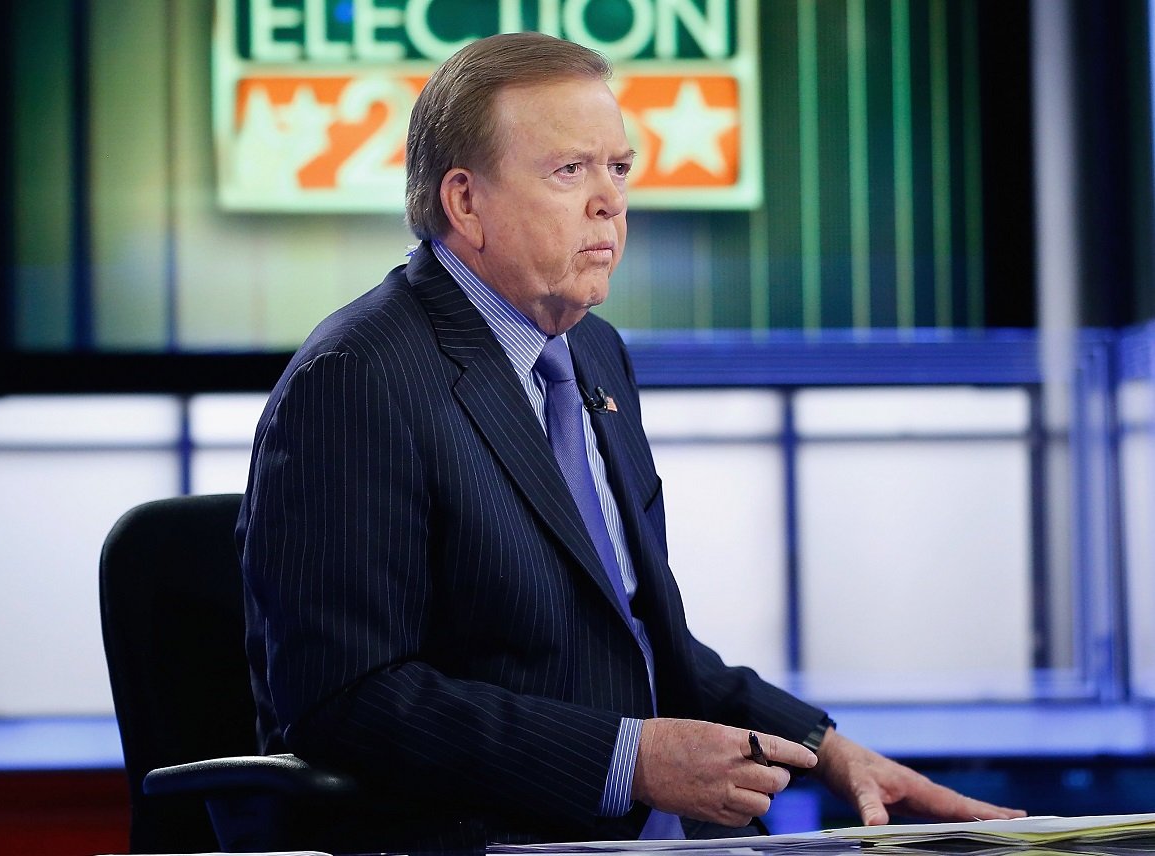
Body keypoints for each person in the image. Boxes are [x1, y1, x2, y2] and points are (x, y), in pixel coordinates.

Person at [237, 31, 1023, 851]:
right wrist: (628, 761)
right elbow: (344, 700)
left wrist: (828, 750)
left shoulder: (593, 353)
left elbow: (637, 637)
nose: (609, 202)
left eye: (618, 169)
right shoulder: (357, 377)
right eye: (569, 171)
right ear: (464, 203)